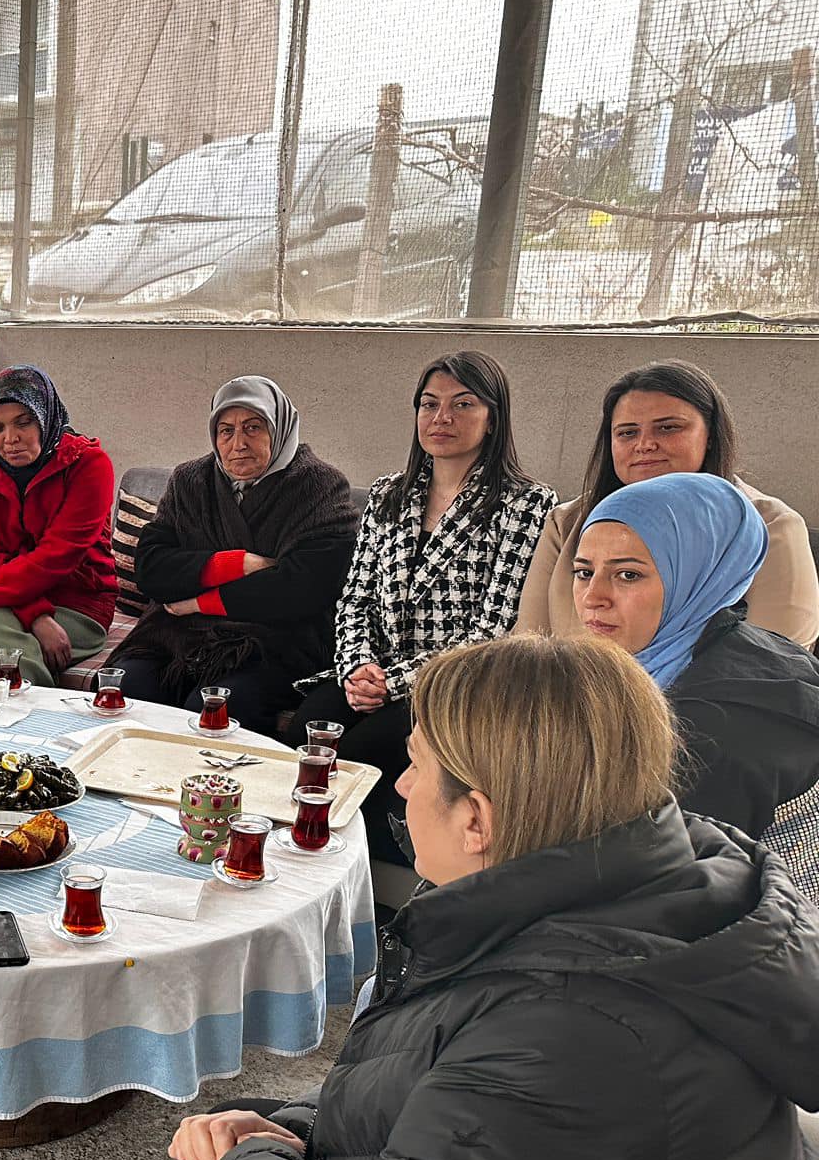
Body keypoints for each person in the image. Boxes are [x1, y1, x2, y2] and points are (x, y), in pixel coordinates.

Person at [24, 635, 819, 1160]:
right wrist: (293, 1131)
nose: (400, 787)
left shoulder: (581, 1037)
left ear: (477, 817)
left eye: (412, 766)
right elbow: (454, 1095)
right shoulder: (640, 901)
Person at [288, 352, 554, 859]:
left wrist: (395, 683)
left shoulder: (524, 504)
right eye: (429, 404)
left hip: (453, 684)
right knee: (311, 729)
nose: (442, 418)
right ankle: (310, 864)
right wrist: (357, 667)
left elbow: (493, 628)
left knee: (369, 751)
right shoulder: (391, 493)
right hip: (371, 675)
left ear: (493, 417)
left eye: (463, 404)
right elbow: (355, 598)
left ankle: (370, 880)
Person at [575, 472, 819, 899]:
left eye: (628, 575)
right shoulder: (743, 646)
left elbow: (662, 902)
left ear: (701, 572)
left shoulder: (705, 723)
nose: (594, 596)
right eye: (583, 571)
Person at [107, 376, 358, 734]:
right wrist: (238, 563)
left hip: (271, 643)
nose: (238, 443)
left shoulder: (320, 486)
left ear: (279, 427)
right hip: (177, 636)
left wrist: (197, 602)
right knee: (127, 688)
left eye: (253, 428)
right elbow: (151, 568)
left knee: (216, 705)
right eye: (225, 431)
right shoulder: (190, 481)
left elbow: (300, 588)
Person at [516, 358, 819, 647]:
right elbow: (529, 648)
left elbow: (774, 667)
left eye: (668, 428)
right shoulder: (567, 524)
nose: (645, 444)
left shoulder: (771, 527)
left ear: (710, 436)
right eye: (627, 433)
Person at [0, 366, 115, 688]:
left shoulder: (89, 465)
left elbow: (58, 555)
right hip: (5, 600)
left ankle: (4, 724)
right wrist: (37, 616)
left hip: (78, 602)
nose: (10, 439)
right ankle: (29, 724)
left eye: (24, 422)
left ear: (45, 417)